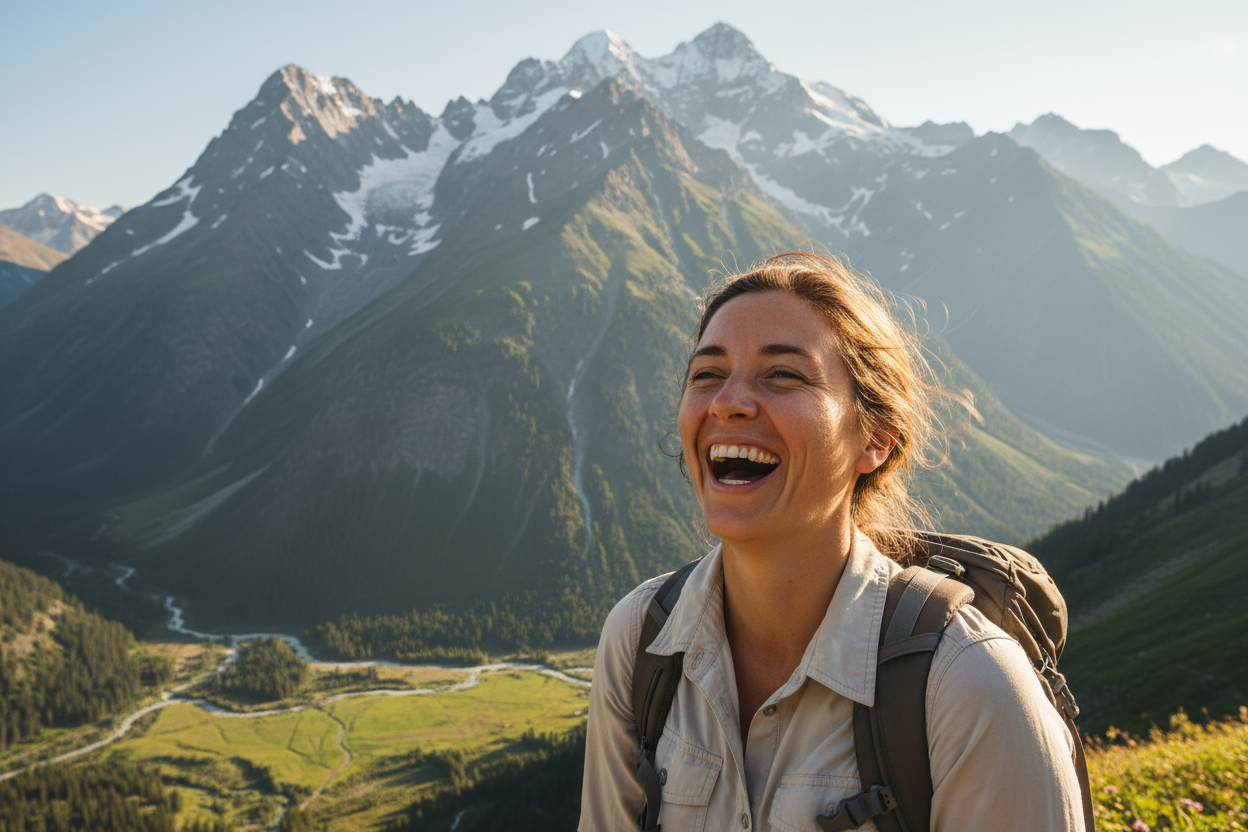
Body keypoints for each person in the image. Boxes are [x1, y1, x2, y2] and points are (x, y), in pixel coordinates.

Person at [578, 253, 1085, 831]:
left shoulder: (970, 686)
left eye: (783, 375)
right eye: (706, 375)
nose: (726, 402)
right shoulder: (639, 640)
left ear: (877, 439)